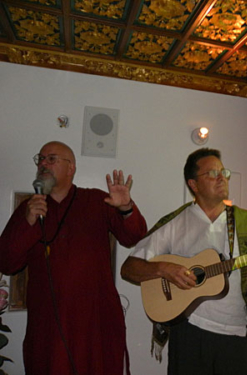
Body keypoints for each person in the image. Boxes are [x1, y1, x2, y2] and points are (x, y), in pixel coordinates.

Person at [121, 148, 247, 375]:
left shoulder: (245, 221)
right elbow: (129, 269)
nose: (222, 178)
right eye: (212, 173)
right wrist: (164, 269)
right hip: (188, 332)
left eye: (224, 172)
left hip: (234, 334)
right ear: (193, 184)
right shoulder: (176, 223)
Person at [0, 141, 147, 375]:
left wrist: (126, 208)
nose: (43, 164)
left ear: (71, 168)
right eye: (41, 159)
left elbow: (134, 236)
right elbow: (7, 263)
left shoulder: (97, 201)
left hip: (94, 321)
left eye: (51, 159)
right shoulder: (29, 209)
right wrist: (27, 223)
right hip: (48, 325)